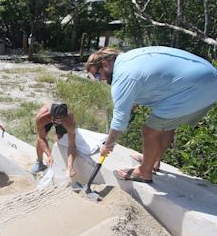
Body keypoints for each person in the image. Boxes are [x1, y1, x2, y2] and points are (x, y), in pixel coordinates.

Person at [91, 46, 217, 183]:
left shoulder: (123, 76)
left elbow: (119, 119)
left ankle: (144, 171)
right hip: (209, 80)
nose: (100, 79)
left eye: (98, 74)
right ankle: (154, 161)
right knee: (167, 124)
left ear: (105, 64)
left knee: (150, 130)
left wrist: (108, 144)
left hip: (195, 87)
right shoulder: (130, 58)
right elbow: (152, 78)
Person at [31, 103, 77, 176]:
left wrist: (70, 166)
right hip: (47, 120)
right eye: (55, 120)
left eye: (59, 121)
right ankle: (39, 162)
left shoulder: (70, 121)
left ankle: (66, 167)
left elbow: (72, 145)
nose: (57, 123)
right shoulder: (42, 117)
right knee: (41, 137)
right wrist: (49, 155)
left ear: (65, 118)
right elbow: (41, 138)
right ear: (51, 115)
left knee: (59, 140)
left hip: (63, 121)